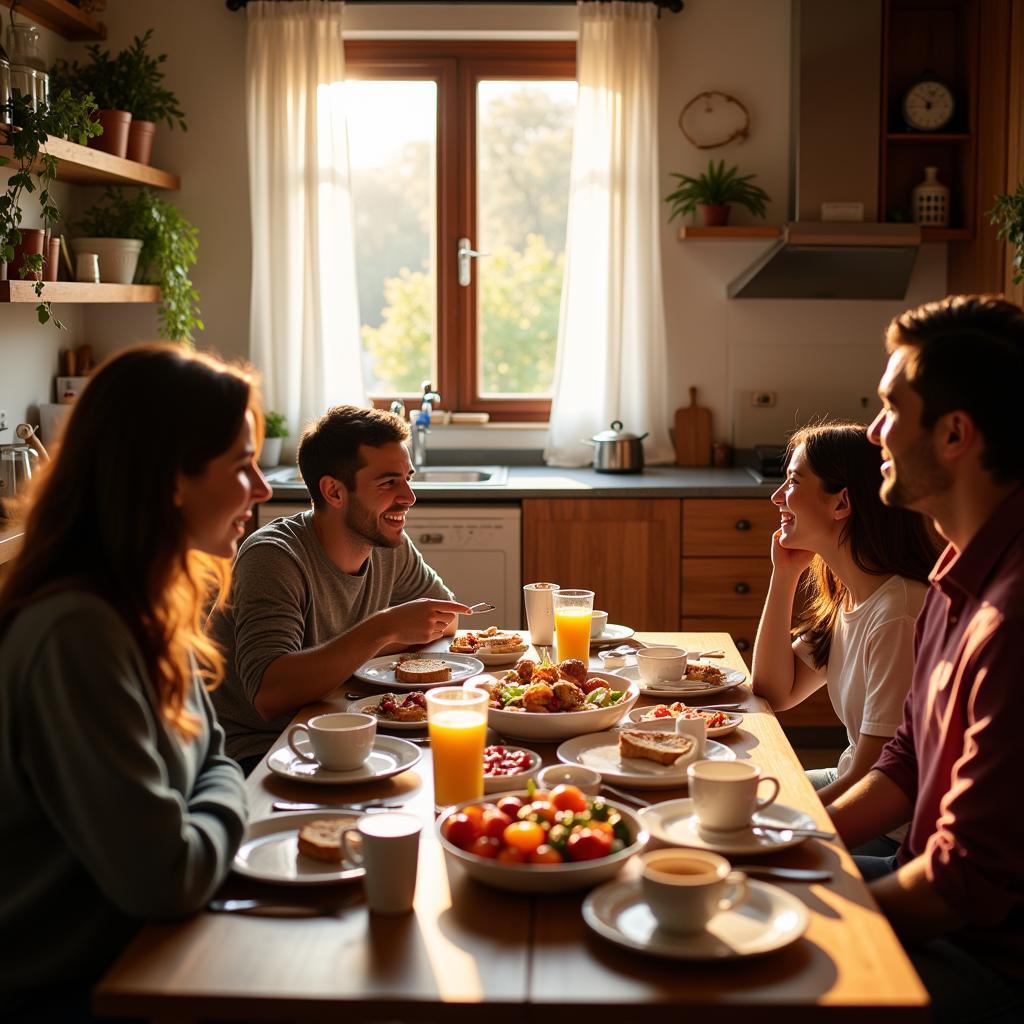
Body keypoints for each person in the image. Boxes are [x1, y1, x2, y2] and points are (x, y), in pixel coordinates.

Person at [0, 343, 272, 1020]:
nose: (262, 489)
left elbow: (213, 757)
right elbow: (165, 876)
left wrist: (216, 791)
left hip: (155, 955)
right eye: (242, 467)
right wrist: (231, 796)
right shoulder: (78, 636)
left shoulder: (145, 609)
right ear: (171, 481)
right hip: (82, 989)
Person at [828, 295, 1024, 1022]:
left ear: (953, 434)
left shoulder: (1012, 616)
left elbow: (962, 885)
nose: (875, 432)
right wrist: (795, 843)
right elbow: (907, 758)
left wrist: (813, 920)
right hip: (927, 887)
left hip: (987, 961)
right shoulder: (956, 572)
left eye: (888, 408)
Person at [210, 405, 469, 772]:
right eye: (388, 482)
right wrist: (384, 629)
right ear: (333, 491)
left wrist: (376, 640)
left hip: (339, 727)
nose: (409, 497)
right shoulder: (274, 557)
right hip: (261, 751)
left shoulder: (385, 541)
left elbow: (445, 615)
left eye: (408, 478)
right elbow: (270, 694)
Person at [751, 422, 936, 854]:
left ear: (842, 503)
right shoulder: (851, 597)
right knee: (714, 802)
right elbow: (775, 691)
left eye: (794, 482)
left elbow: (875, 777)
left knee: (736, 837)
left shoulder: (897, 615)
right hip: (845, 780)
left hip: (886, 829)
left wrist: (787, 828)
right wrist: (785, 574)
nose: (777, 497)